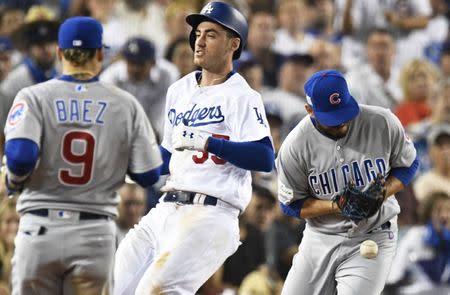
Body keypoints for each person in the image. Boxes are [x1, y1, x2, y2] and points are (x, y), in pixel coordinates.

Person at [113, 2, 274, 294]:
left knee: (154, 290)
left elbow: (264, 157)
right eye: (198, 33)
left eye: (211, 34)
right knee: (113, 286)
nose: (199, 40)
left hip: (211, 214)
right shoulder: (179, 90)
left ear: (233, 43)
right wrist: (129, 166)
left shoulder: (242, 96)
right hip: (166, 208)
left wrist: (209, 143)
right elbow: (166, 156)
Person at [3, 16, 162, 295]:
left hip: (40, 228)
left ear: (60, 53)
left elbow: (20, 158)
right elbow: (148, 175)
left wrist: (14, 182)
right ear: (100, 53)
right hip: (95, 233)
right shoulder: (125, 104)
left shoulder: (33, 96)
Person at [276, 69, 419, 295]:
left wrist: (383, 193)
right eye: (332, 119)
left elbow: (408, 164)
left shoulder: (382, 121)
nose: (342, 123)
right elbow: (290, 204)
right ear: (309, 110)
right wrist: (337, 205)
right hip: (321, 238)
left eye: (344, 113)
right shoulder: (295, 146)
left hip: (374, 234)